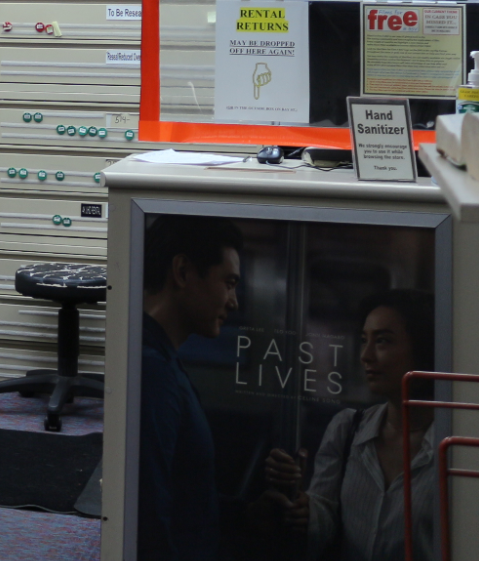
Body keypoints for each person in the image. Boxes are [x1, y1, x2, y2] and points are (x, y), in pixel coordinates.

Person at [264, 290, 439, 560]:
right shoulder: (348, 430)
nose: (365, 356)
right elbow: (325, 513)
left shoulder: (447, 446)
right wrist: (303, 507)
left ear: (423, 351)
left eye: (382, 341)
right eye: (363, 340)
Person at [137, 216, 243, 560]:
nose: (234, 301)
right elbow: (150, 515)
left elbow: (184, 498)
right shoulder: (154, 372)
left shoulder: (160, 360)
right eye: (228, 283)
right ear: (182, 271)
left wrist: (246, 516)